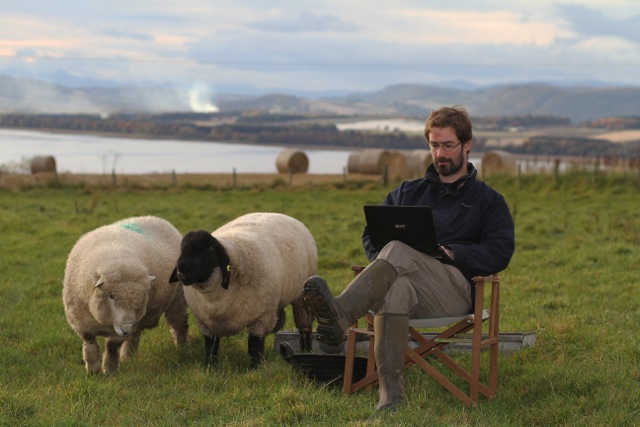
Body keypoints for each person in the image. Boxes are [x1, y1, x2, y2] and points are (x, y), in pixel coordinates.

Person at [303, 105, 515, 411]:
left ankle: (341, 316)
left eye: (448, 145)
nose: (440, 154)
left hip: (455, 292)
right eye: (434, 145)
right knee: (396, 285)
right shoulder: (407, 193)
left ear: (467, 145)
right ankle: (391, 397)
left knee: (399, 250)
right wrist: (389, 265)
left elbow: (501, 250)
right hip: (408, 288)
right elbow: (371, 237)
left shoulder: (488, 200)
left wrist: (454, 253)